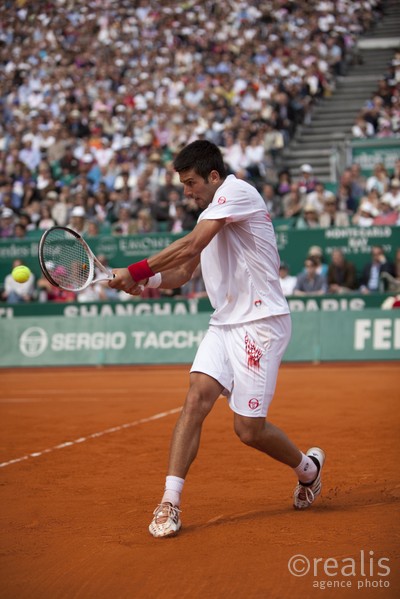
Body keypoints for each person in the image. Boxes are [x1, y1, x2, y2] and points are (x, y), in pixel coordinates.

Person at [108, 140, 325, 538]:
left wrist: (135, 270)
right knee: (195, 398)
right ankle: (170, 502)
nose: (186, 192)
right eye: (182, 185)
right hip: (224, 324)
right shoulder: (210, 214)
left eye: (191, 183)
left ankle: (307, 471)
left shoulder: (237, 192)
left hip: (262, 322)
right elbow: (185, 271)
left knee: (248, 430)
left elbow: (190, 246)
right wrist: (148, 282)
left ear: (213, 176)